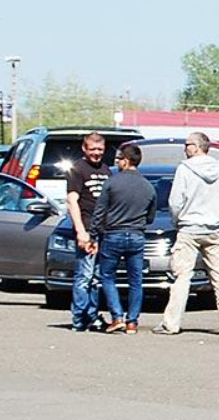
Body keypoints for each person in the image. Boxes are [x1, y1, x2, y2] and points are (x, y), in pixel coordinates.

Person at [153, 132, 219, 336]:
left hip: (189, 228)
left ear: (198, 147)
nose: (185, 148)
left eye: (187, 144)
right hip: (214, 230)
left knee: (182, 277)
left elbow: (175, 201)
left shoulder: (184, 169)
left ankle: (171, 324)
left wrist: (178, 221)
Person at [88, 143, 157, 334]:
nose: (116, 162)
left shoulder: (111, 183)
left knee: (107, 276)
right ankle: (132, 322)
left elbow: (99, 212)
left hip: (113, 235)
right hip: (137, 235)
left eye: (118, 159)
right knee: (136, 280)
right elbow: (150, 217)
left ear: (126, 161)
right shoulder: (148, 186)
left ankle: (117, 316)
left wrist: (93, 235)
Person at [66, 132, 112, 332]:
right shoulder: (77, 169)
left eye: (100, 150)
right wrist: (80, 231)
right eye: (92, 149)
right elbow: (72, 201)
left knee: (96, 277)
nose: (96, 153)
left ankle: (93, 316)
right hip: (86, 229)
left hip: (103, 230)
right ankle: (79, 318)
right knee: (84, 276)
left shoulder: (106, 170)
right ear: (84, 149)